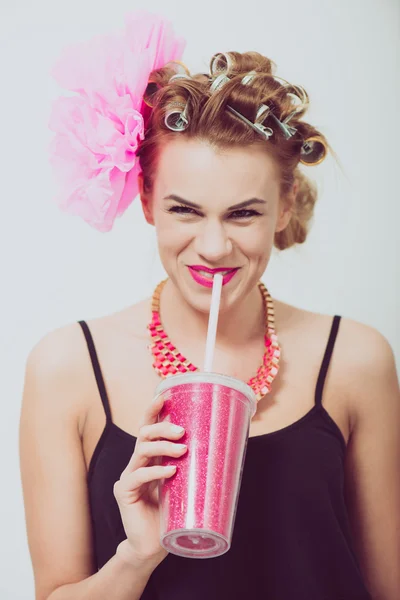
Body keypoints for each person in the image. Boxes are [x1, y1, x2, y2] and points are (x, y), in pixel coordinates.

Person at [19, 11, 400, 600]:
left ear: (285, 202)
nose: (215, 246)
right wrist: (136, 558)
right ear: (147, 201)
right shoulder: (66, 368)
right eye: (185, 210)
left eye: (244, 213)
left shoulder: (356, 360)